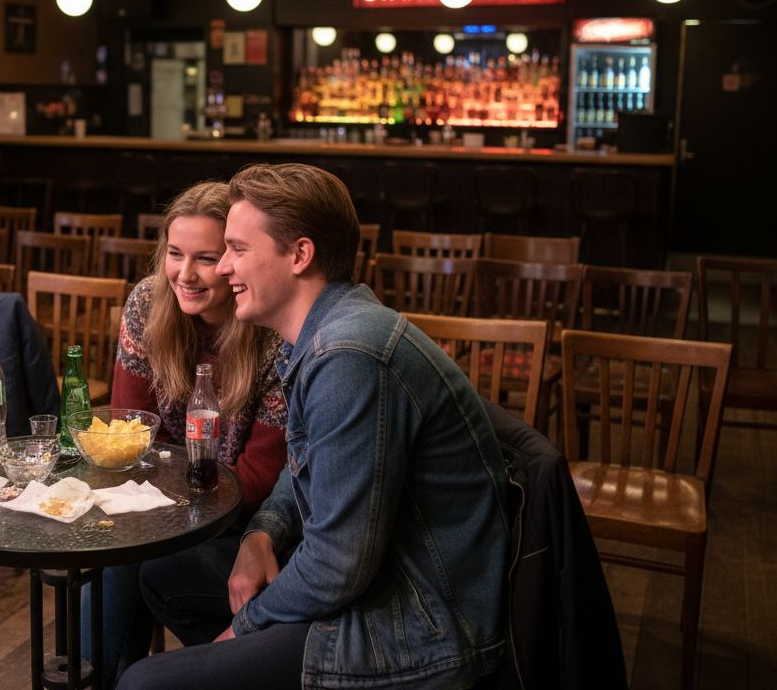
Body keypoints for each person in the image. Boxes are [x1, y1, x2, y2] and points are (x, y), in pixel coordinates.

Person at [120, 163, 512, 690]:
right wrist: (263, 532)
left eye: (236, 249)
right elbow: (304, 465)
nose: (224, 267)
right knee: (164, 576)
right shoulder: (332, 327)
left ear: (300, 255)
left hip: (411, 626)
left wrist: (244, 631)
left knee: (143, 683)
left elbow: (337, 565)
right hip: (374, 588)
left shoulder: (349, 356)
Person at [80, 181, 288, 685]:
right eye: (175, 254)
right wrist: (154, 503)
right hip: (162, 500)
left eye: (206, 258)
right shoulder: (147, 303)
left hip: (250, 521)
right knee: (113, 552)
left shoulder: (270, 328)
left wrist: (160, 502)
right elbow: (130, 434)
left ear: (235, 261)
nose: (185, 274)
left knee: (137, 560)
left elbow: (260, 476)